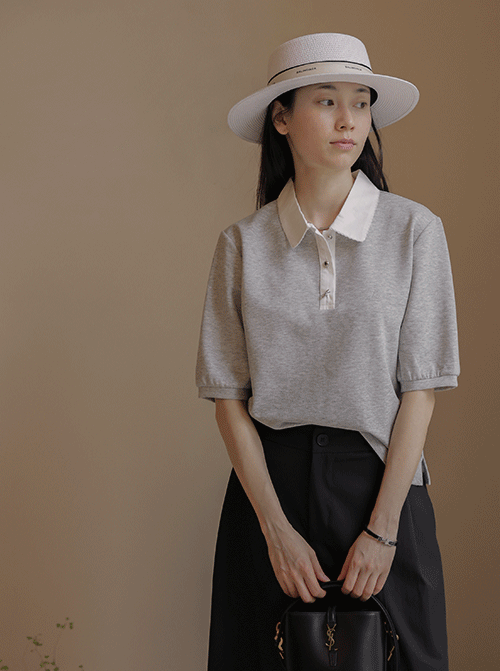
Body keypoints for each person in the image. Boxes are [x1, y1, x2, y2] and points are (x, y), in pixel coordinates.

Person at [196, 33, 459, 671]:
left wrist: (383, 531)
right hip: (270, 494)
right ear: (281, 118)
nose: (349, 121)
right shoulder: (242, 245)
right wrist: (276, 531)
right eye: (326, 101)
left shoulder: (414, 230)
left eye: (361, 103)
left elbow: (420, 392)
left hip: (382, 484)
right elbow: (229, 401)